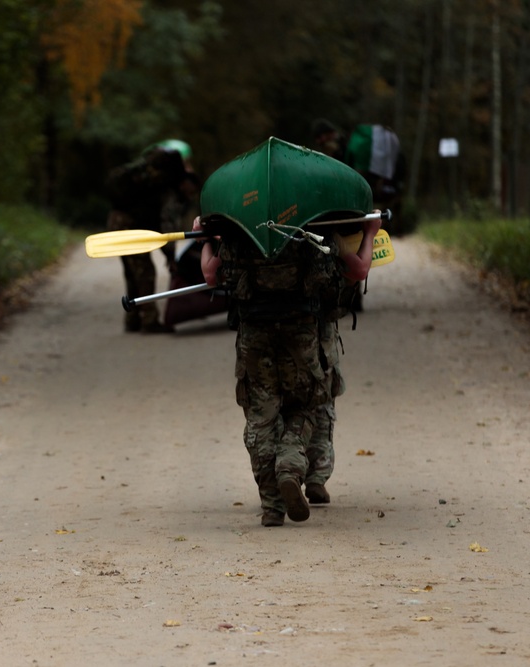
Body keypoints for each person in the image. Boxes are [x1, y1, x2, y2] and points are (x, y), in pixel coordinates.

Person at [193, 209, 381, 526]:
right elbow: (359, 270)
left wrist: (207, 239)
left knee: (261, 417)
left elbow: (211, 275)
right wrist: (370, 232)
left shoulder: (241, 236)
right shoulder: (317, 231)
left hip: (255, 338)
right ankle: (290, 468)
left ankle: (271, 506)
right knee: (306, 405)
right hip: (303, 336)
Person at [105, 140, 200, 333]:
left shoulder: (155, 183)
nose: (191, 196)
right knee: (145, 272)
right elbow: (167, 226)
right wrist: (170, 256)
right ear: (186, 183)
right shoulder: (169, 191)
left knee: (133, 274)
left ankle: (132, 319)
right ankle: (149, 321)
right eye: (191, 192)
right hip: (128, 226)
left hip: (116, 220)